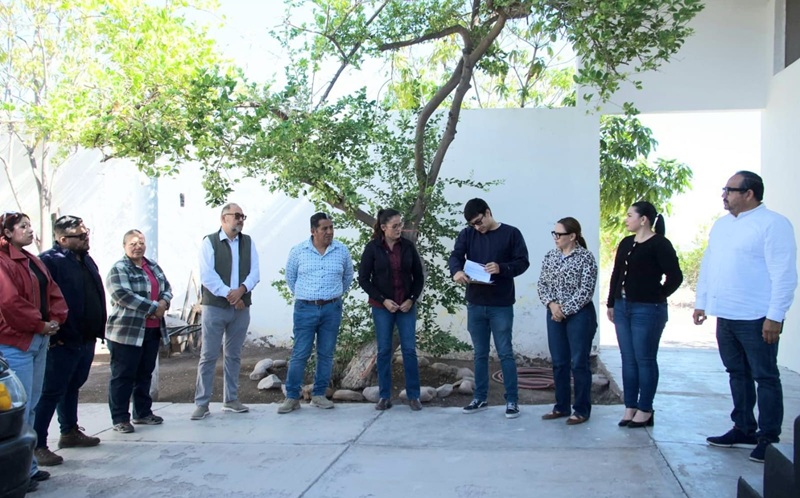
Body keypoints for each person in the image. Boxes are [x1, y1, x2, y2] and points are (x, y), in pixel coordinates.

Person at [694, 171, 797, 463]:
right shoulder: (722, 225)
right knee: (736, 373)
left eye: (729, 190)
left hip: (757, 316)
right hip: (725, 315)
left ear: (749, 193)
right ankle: (743, 428)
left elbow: (784, 273)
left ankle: (768, 438)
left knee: (765, 376)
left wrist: (775, 316)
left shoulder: (773, 224)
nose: (724, 195)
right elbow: (709, 264)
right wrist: (702, 302)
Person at [0, 212, 68, 490]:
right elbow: (10, 303)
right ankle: (18, 474)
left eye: (30, 225)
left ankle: (28, 468)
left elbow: (53, 292)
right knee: (20, 408)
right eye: (23, 226)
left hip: (38, 339)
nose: (30, 230)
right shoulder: (3, 262)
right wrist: (39, 324)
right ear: (7, 232)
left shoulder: (32, 260)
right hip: (15, 342)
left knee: (32, 404)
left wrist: (56, 319)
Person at [448, 198, 530, 419]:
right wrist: (456, 271)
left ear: (488, 212)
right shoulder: (467, 235)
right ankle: (480, 397)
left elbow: (523, 262)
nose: (477, 227)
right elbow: (455, 256)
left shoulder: (511, 233)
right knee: (479, 353)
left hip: (501, 304)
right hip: (475, 302)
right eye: (472, 224)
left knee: (505, 352)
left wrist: (501, 268)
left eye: (479, 221)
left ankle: (512, 400)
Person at [34, 216, 106, 467]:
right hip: (63, 339)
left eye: (87, 233)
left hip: (85, 337)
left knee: (73, 385)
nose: (86, 238)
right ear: (63, 239)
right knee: (50, 391)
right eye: (81, 235)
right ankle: (37, 445)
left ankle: (69, 431)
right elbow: (42, 300)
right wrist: (54, 333)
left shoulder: (85, 259)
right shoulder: (50, 261)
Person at [607, 201, 682, 428]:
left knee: (645, 359)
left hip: (648, 309)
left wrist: (657, 295)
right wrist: (611, 302)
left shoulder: (660, 244)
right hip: (622, 307)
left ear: (643, 219)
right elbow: (616, 273)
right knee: (628, 359)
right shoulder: (626, 242)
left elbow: (675, 276)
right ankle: (630, 406)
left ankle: (645, 408)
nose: (626, 219)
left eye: (630, 215)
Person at [278, 212, 354, 414]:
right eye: (324, 228)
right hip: (305, 309)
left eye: (331, 228)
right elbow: (291, 278)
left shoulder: (341, 250)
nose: (329, 232)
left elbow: (347, 277)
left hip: (331, 309)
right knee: (300, 353)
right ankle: (292, 397)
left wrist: (332, 295)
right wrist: (307, 297)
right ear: (313, 231)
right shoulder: (298, 251)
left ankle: (319, 395)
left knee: (326, 353)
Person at [192, 203, 260, 420]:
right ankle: (202, 403)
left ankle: (231, 399)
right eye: (237, 215)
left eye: (243, 216)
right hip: (215, 307)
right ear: (224, 219)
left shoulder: (248, 242)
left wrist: (241, 291)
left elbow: (255, 273)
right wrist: (230, 295)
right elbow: (207, 275)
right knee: (209, 355)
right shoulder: (209, 242)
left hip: (241, 308)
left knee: (234, 355)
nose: (240, 219)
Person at [105, 229, 172, 433]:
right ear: (124, 246)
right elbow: (123, 295)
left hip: (151, 331)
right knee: (123, 375)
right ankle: (120, 418)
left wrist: (163, 302)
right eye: (132, 243)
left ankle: (142, 413)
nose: (137, 247)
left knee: (144, 374)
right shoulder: (119, 268)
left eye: (141, 243)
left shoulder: (153, 266)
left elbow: (167, 288)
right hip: (127, 332)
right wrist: (154, 307)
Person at [358, 209, 425, 411]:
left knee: (409, 350)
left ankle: (414, 396)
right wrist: (383, 300)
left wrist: (411, 299)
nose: (399, 229)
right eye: (395, 226)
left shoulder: (408, 246)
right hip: (382, 307)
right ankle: (384, 396)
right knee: (384, 350)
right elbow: (364, 279)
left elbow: (418, 277)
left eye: (400, 225)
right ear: (383, 227)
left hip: (406, 307)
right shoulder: (372, 248)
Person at [537, 217, 598, 425]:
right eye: (554, 233)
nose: (555, 237)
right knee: (559, 362)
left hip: (579, 315)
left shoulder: (585, 258)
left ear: (572, 236)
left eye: (559, 234)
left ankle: (581, 409)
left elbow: (586, 291)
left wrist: (564, 310)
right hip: (554, 313)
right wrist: (552, 306)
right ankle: (561, 406)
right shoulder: (550, 256)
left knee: (579, 362)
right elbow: (542, 285)